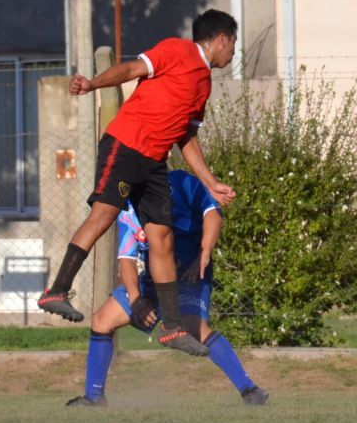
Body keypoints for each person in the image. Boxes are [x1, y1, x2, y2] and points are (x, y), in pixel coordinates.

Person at [37, 10, 239, 357]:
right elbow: (131, 69)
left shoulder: (203, 84)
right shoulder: (178, 51)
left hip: (154, 161)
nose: (234, 52)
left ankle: (173, 329)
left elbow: (186, 136)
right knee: (102, 216)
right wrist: (91, 85)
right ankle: (57, 290)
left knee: (162, 235)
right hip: (126, 146)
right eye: (233, 43)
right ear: (222, 38)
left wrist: (211, 182)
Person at [65, 169, 269, 407]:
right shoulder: (127, 209)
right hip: (153, 279)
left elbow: (213, 213)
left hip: (190, 273)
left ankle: (250, 391)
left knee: (194, 326)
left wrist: (204, 253)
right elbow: (126, 259)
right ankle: (94, 396)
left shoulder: (182, 182)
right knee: (102, 320)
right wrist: (135, 299)